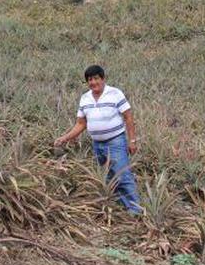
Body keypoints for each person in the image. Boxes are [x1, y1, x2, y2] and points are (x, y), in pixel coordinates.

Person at [54, 65, 141, 214]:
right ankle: (121, 206)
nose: (93, 82)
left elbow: (128, 117)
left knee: (123, 175)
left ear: (102, 78)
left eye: (96, 78)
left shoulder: (115, 93)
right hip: (97, 144)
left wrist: (132, 141)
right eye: (89, 80)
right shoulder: (85, 98)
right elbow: (81, 124)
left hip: (116, 142)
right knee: (109, 177)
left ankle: (136, 211)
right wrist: (65, 138)